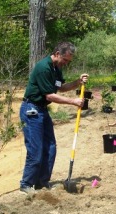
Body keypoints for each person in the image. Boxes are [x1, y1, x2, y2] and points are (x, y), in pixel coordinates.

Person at [19, 42, 89, 194]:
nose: (66, 63)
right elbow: (49, 95)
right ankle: (26, 184)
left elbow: (60, 88)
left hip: (42, 110)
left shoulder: (56, 68)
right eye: (65, 60)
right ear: (57, 53)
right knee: (36, 150)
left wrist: (77, 83)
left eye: (69, 61)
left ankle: (42, 183)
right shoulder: (43, 67)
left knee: (50, 147)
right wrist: (73, 102)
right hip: (31, 110)